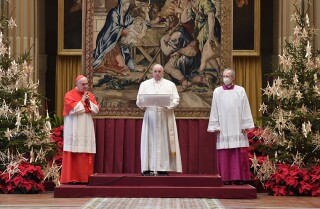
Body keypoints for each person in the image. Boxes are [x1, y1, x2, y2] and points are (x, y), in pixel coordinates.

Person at [207, 68, 254, 185]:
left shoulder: (240, 90)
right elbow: (214, 109)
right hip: (224, 126)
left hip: (237, 126)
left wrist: (245, 124)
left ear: (233, 77)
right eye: (223, 76)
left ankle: (239, 178)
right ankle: (226, 178)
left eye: (227, 76)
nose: (225, 78)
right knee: (225, 153)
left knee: (238, 152)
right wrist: (215, 124)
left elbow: (245, 107)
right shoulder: (217, 91)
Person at [136, 64, 182, 176]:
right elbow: (138, 100)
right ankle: (147, 167)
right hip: (150, 117)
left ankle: (162, 168)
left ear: (163, 73)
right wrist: (142, 102)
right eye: (155, 71)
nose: (157, 73)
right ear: (152, 72)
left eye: (159, 71)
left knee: (163, 142)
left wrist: (167, 105)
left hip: (164, 116)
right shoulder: (144, 84)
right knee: (149, 142)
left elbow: (176, 99)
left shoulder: (170, 85)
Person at [60, 75, 100, 184]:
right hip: (74, 127)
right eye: (83, 84)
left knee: (85, 151)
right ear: (76, 84)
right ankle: (72, 178)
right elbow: (72, 110)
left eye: (87, 84)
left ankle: (85, 178)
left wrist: (88, 102)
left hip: (86, 127)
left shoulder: (89, 95)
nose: (86, 86)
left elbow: (96, 109)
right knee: (74, 152)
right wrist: (82, 101)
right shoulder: (69, 94)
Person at [93, 0, 135, 74]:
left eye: (127, 6)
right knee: (121, 66)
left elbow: (133, 21)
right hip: (107, 40)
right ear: (120, 5)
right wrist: (121, 30)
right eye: (124, 5)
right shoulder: (113, 13)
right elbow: (111, 28)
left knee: (122, 65)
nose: (126, 8)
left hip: (116, 41)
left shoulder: (126, 16)